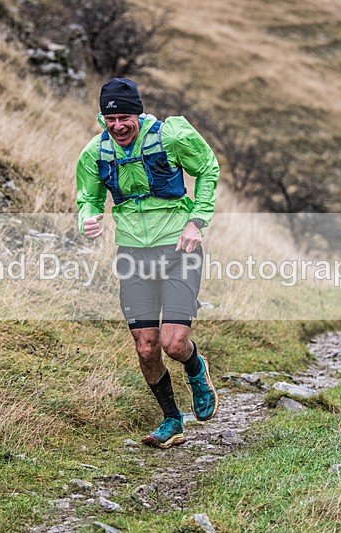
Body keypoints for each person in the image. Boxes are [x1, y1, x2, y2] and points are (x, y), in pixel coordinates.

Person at [75, 78, 220, 448]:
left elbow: (207, 169)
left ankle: (195, 367)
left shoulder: (170, 136)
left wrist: (196, 221)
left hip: (178, 251)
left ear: (137, 114)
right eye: (111, 119)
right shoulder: (95, 153)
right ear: (103, 119)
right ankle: (172, 419)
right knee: (145, 347)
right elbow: (87, 199)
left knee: (173, 343)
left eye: (125, 117)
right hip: (132, 256)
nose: (119, 126)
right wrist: (88, 218)